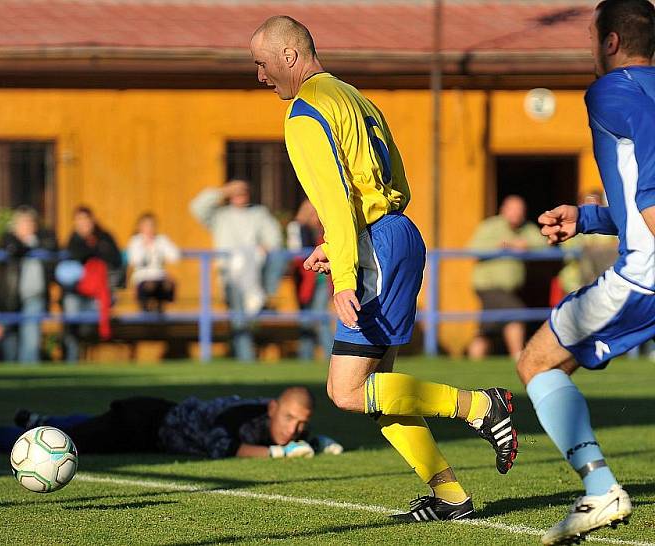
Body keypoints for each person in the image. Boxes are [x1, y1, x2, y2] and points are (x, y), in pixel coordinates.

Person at [250, 16, 518, 521]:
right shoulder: (355, 97)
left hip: (375, 246)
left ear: (289, 56)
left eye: (262, 65)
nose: (260, 76)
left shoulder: (305, 113)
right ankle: (450, 496)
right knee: (378, 392)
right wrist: (350, 241)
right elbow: (396, 178)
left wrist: (346, 273)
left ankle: (482, 406)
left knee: (345, 392)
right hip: (397, 232)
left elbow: (333, 199)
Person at [517, 1, 655, 542]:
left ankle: (600, 490)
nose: (588, 48)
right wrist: (589, 217)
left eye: (590, 37)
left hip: (643, 276)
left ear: (612, 42)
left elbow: (650, 187)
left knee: (538, 363)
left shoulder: (610, 91)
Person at [0, 386, 344, 460]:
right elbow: (222, 448)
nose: (294, 429)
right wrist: (279, 452)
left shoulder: (280, 421)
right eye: (289, 419)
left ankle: (40, 416)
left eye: (302, 425)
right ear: (271, 408)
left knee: (78, 424)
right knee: (50, 442)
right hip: (142, 422)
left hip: (153, 422)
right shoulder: (244, 418)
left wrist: (317, 441)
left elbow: (302, 436)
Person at [190, 179, 283, 361]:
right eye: (236, 192)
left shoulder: (258, 214)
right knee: (239, 314)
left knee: (246, 315)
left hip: (256, 274)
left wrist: (266, 246)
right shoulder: (220, 216)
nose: (240, 196)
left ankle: (243, 354)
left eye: (243, 191)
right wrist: (222, 192)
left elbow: (274, 238)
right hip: (230, 274)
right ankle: (245, 357)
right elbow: (196, 207)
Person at [467, 195, 545, 360]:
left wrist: (526, 246)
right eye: (513, 210)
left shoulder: (527, 228)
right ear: (503, 210)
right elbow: (473, 248)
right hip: (489, 286)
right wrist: (503, 246)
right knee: (516, 312)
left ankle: (472, 362)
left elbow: (544, 244)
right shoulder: (490, 226)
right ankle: (518, 357)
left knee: (486, 330)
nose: (516, 214)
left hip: (509, 289)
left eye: (520, 211)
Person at [0, 206, 58, 363]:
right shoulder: (8, 239)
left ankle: (29, 372)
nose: (27, 226)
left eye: (30, 223)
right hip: (9, 298)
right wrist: (27, 247)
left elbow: (53, 245)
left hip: (33, 296)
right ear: (15, 226)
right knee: (10, 343)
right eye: (23, 223)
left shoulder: (42, 239)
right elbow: (13, 249)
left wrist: (32, 244)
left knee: (30, 338)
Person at [61, 206, 123, 362]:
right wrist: (93, 251)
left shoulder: (105, 237)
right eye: (79, 220)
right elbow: (76, 256)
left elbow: (115, 259)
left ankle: (87, 359)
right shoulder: (73, 240)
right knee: (72, 319)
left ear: (92, 220)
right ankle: (72, 359)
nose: (83, 224)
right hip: (76, 292)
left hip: (100, 292)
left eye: (85, 219)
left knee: (89, 326)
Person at [287, 200, 333, 360]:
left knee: (321, 318)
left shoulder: (324, 230)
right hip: (305, 280)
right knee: (306, 319)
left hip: (322, 281)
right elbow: (297, 254)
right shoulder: (299, 229)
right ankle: (306, 356)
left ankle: (330, 355)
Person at [127, 212, 180, 313]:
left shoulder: (161, 240)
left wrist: (158, 247)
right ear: (140, 227)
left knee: (168, 284)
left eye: (152, 225)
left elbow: (174, 256)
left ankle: (159, 311)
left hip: (159, 277)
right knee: (150, 286)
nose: (149, 228)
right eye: (146, 225)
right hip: (142, 278)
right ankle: (147, 311)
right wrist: (145, 246)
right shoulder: (135, 241)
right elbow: (135, 260)